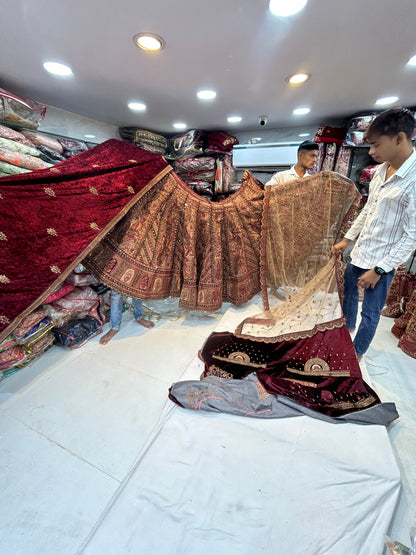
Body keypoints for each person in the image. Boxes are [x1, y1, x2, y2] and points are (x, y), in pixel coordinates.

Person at [331, 107, 416, 361]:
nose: (371, 151)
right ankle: (347, 330)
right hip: (361, 252)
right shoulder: (381, 170)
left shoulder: (413, 179)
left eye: (376, 145)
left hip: (382, 263)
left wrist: (379, 269)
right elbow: (368, 210)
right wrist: (347, 239)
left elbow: (412, 235)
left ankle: (356, 354)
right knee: (346, 290)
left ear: (399, 139)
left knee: (370, 312)